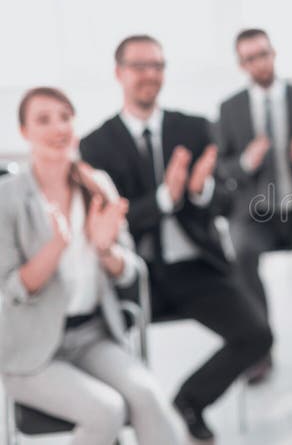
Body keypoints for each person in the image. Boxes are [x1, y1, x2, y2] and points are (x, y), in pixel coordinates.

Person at [79, 35, 271, 442]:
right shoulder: (96, 145)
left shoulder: (195, 128)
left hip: (195, 268)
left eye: (158, 66)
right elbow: (110, 222)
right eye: (140, 66)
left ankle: (188, 402)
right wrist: (165, 198)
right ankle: (124, 418)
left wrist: (200, 191)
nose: (150, 75)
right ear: (119, 73)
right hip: (132, 272)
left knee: (257, 335)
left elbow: (224, 202)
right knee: (105, 348)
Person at [1, 87, 184, 445]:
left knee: (148, 398)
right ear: (24, 132)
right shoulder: (8, 197)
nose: (58, 127)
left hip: (93, 337)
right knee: (107, 411)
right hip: (29, 351)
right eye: (43, 119)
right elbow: (12, 289)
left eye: (65, 116)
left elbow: (130, 272)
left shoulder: (97, 185)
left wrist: (105, 250)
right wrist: (58, 244)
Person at [217, 28, 292, 383]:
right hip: (256, 214)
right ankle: (260, 350)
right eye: (250, 58)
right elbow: (222, 167)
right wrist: (246, 163)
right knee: (242, 255)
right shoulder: (230, 108)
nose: (258, 63)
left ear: (274, 53)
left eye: (262, 54)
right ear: (241, 64)